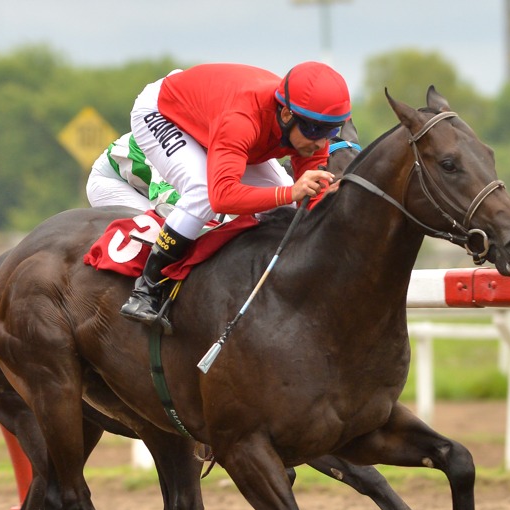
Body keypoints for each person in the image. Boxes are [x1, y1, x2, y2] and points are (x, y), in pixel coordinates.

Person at [120, 61, 352, 328]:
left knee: (285, 210)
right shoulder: (242, 119)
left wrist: (325, 202)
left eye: (331, 131)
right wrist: (291, 192)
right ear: (287, 114)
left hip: (216, 116)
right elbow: (222, 197)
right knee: (202, 191)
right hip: (163, 112)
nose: (321, 142)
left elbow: (309, 201)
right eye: (315, 130)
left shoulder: (306, 124)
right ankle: (146, 289)